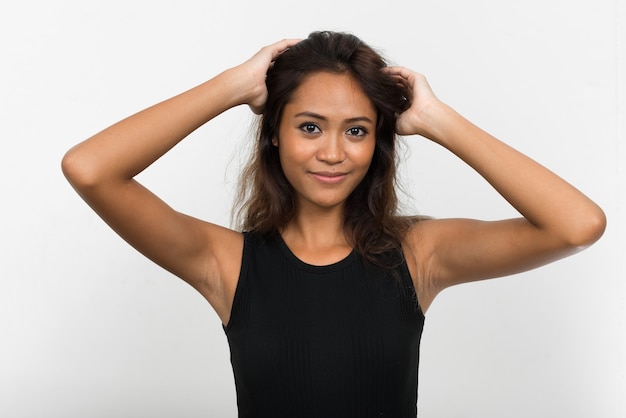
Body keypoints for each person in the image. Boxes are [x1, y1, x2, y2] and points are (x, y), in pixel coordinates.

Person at [61, 31, 606, 417]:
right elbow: (90, 170)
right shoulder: (225, 262)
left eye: (356, 131)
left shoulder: (419, 253)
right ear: (275, 132)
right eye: (310, 126)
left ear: (378, 142)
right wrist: (234, 85)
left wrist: (439, 120)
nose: (332, 153)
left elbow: (577, 225)